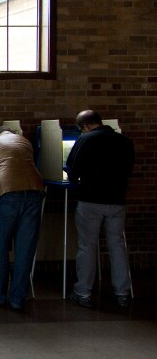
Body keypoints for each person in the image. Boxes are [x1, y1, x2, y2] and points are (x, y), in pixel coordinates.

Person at [66, 110, 135, 308]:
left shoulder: (85, 140)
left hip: (90, 200)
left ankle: (83, 293)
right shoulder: (124, 141)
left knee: (87, 245)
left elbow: (73, 169)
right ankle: (122, 293)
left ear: (84, 126)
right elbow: (128, 170)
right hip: (116, 201)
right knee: (117, 246)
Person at [0, 125, 45, 311]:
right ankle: (17, 299)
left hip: (6, 195)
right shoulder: (25, 141)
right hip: (34, 193)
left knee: (1, 246)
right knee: (25, 249)